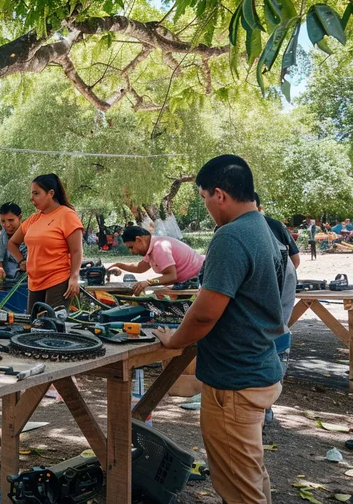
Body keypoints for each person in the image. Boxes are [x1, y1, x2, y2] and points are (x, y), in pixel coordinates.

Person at [153, 155, 285, 504]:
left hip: (235, 380)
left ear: (220, 194)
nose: (207, 207)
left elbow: (204, 315)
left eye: (204, 198)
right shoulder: (265, 230)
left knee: (238, 488)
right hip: (257, 368)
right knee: (250, 475)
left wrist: (173, 340)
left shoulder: (230, 236)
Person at [254, 193, 299, 426]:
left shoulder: (235, 229)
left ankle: (264, 407)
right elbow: (295, 261)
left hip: (265, 306)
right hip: (278, 302)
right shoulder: (272, 225)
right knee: (276, 341)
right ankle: (266, 406)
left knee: (268, 346)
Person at [8, 174, 83, 310]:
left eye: (36, 193)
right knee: (32, 326)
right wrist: (21, 261)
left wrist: (74, 277)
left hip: (58, 281)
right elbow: (12, 243)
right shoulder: (33, 219)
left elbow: (76, 251)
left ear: (51, 193)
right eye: (31, 194)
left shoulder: (67, 215)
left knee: (51, 326)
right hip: (34, 283)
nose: (31, 198)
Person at [108, 226, 204, 295]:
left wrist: (148, 282)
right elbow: (140, 267)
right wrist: (119, 265)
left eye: (131, 247)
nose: (131, 251)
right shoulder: (151, 246)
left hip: (202, 278)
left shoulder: (159, 248)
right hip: (188, 281)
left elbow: (171, 276)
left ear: (138, 240)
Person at [0, 202, 27, 279]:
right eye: (3, 221)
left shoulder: (29, 235)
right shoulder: (2, 237)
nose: (7, 225)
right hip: (9, 281)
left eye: (11, 220)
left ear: (20, 217)